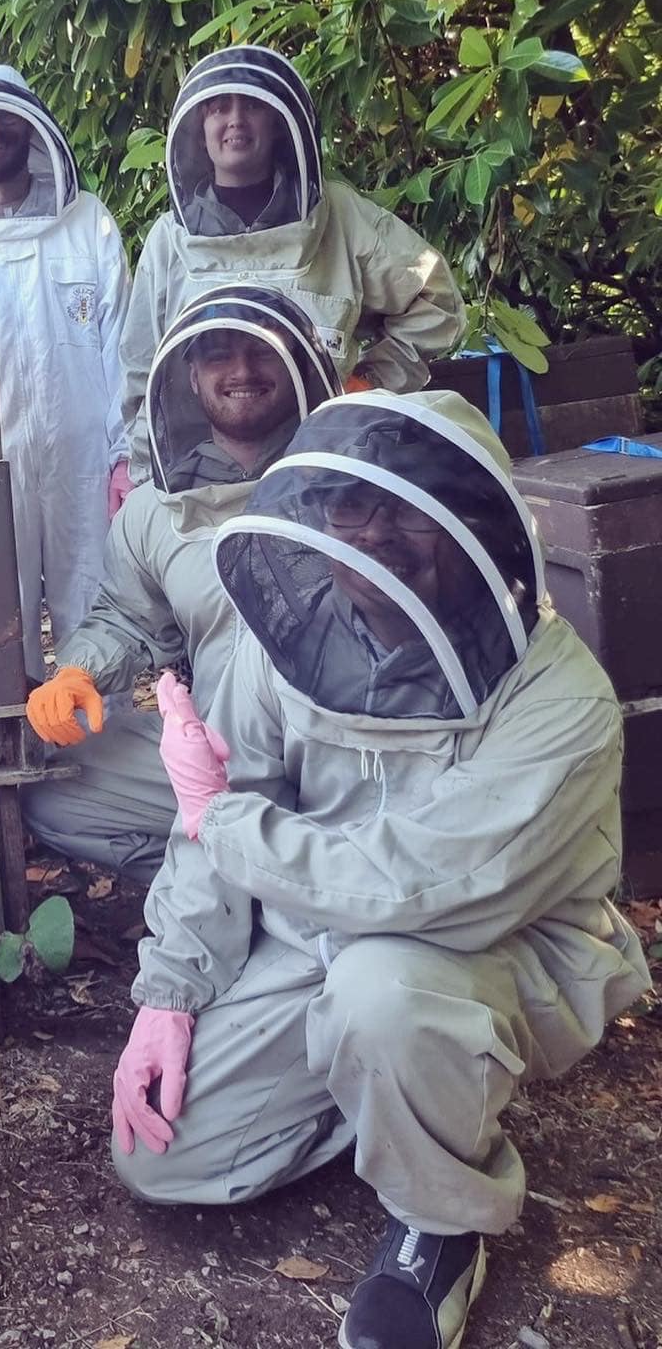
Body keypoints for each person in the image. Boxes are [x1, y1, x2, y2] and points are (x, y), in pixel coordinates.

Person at [110, 388, 650, 1349]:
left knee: (382, 994)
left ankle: (442, 1222)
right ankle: (401, 1101)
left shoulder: (562, 701)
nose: (376, 536)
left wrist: (217, 818)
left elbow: (412, 886)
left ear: (473, 523)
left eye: (406, 509)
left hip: (487, 946)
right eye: (353, 509)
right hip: (320, 932)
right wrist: (171, 994)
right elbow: (225, 815)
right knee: (163, 1159)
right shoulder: (291, 640)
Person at [22, 286, 340, 880]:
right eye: (219, 354)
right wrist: (78, 671)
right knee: (53, 790)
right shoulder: (155, 510)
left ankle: (280, 876)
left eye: (260, 352)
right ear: (189, 376)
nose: (241, 370)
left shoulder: (354, 484)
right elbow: (126, 618)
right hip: (219, 755)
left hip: (349, 747)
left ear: (298, 363)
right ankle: (213, 878)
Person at [117, 45, 465, 480]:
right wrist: (142, 474)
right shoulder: (170, 238)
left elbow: (435, 299)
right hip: (204, 482)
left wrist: (370, 383)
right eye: (218, 108)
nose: (235, 121)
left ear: (280, 123)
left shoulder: (339, 215)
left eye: (253, 105)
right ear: (199, 128)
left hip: (325, 473)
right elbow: (142, 368)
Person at [0, 65, 130, 684]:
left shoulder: (88, 222)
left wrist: (128, 458)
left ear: (33, 127)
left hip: (85, 465)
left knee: (99, 614)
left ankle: (105, 765)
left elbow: (124, 345)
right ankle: (9, 780)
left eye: (4, 116)